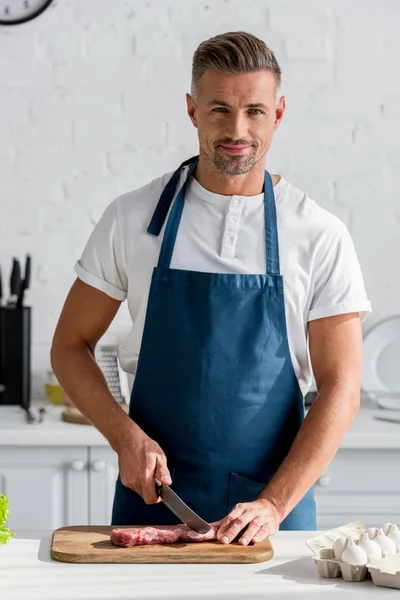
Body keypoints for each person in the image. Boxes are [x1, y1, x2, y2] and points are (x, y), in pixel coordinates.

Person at [51, 31, 371, 546]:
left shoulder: (318, 234)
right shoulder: (132, 219)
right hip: (152, 502)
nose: (237, 129)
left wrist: (273, 503)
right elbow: (68, 345)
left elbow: (343, 389)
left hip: (272, 516)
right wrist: (123, 435)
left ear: (280, 113)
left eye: (255, 111)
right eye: (219, 109)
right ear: (191, 110)